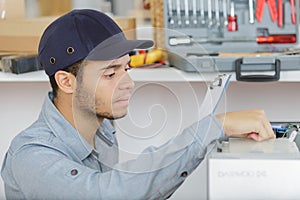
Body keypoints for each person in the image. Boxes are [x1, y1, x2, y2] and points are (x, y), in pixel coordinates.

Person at [1, 9, 275, 199]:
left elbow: (134, 182)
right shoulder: (31, 156)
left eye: (126, 68)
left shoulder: (102, 129)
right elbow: (109, 193)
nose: (128, 83)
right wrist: (212, 127)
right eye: (110, 73)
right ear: (66, 81)